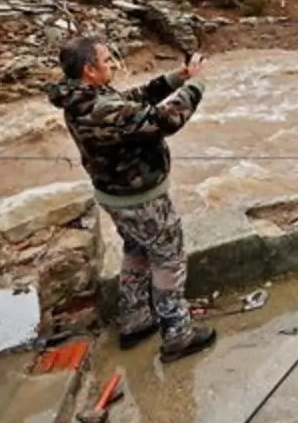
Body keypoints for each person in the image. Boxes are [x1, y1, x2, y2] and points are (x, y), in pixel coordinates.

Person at [47, 37, 216, 363]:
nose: (112, 64)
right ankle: (177, 334)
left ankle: (136, 319)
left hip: (114, 196)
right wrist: (197, 85)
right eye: (107, 60)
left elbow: (131, 101)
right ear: (89, 70)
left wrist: (176, 78)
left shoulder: (78, 96)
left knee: (137, 250)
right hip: (142, 199)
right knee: (169, 259)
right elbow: (167, 119)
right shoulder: (101, 108)